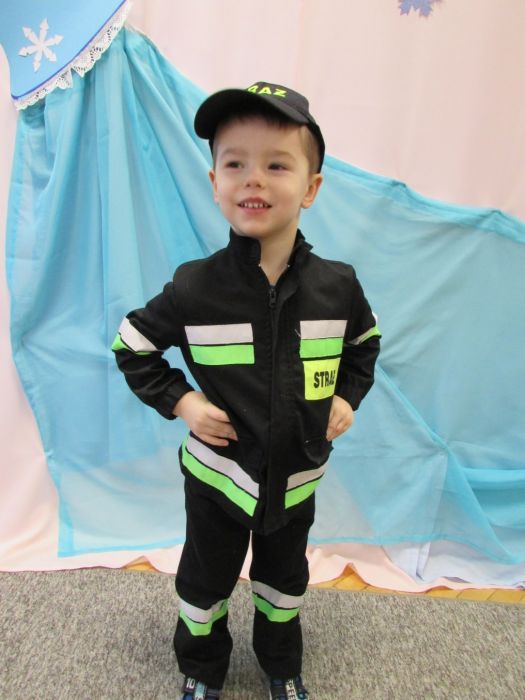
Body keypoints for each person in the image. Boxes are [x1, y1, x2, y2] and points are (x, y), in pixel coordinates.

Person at [112, 81, 380, 700]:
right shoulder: (194, 288)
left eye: (276, 165)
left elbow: (365, 346)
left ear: (311, 187)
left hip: (297, 479)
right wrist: (184, 402)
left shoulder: (339, 287)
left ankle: (281, 666)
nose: (253, 178)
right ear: (214, 183)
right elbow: (132, 345)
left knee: (284, 584)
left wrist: (346, 397)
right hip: (217, 479)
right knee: (203, 584)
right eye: (235, 164)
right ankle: (201, 668)